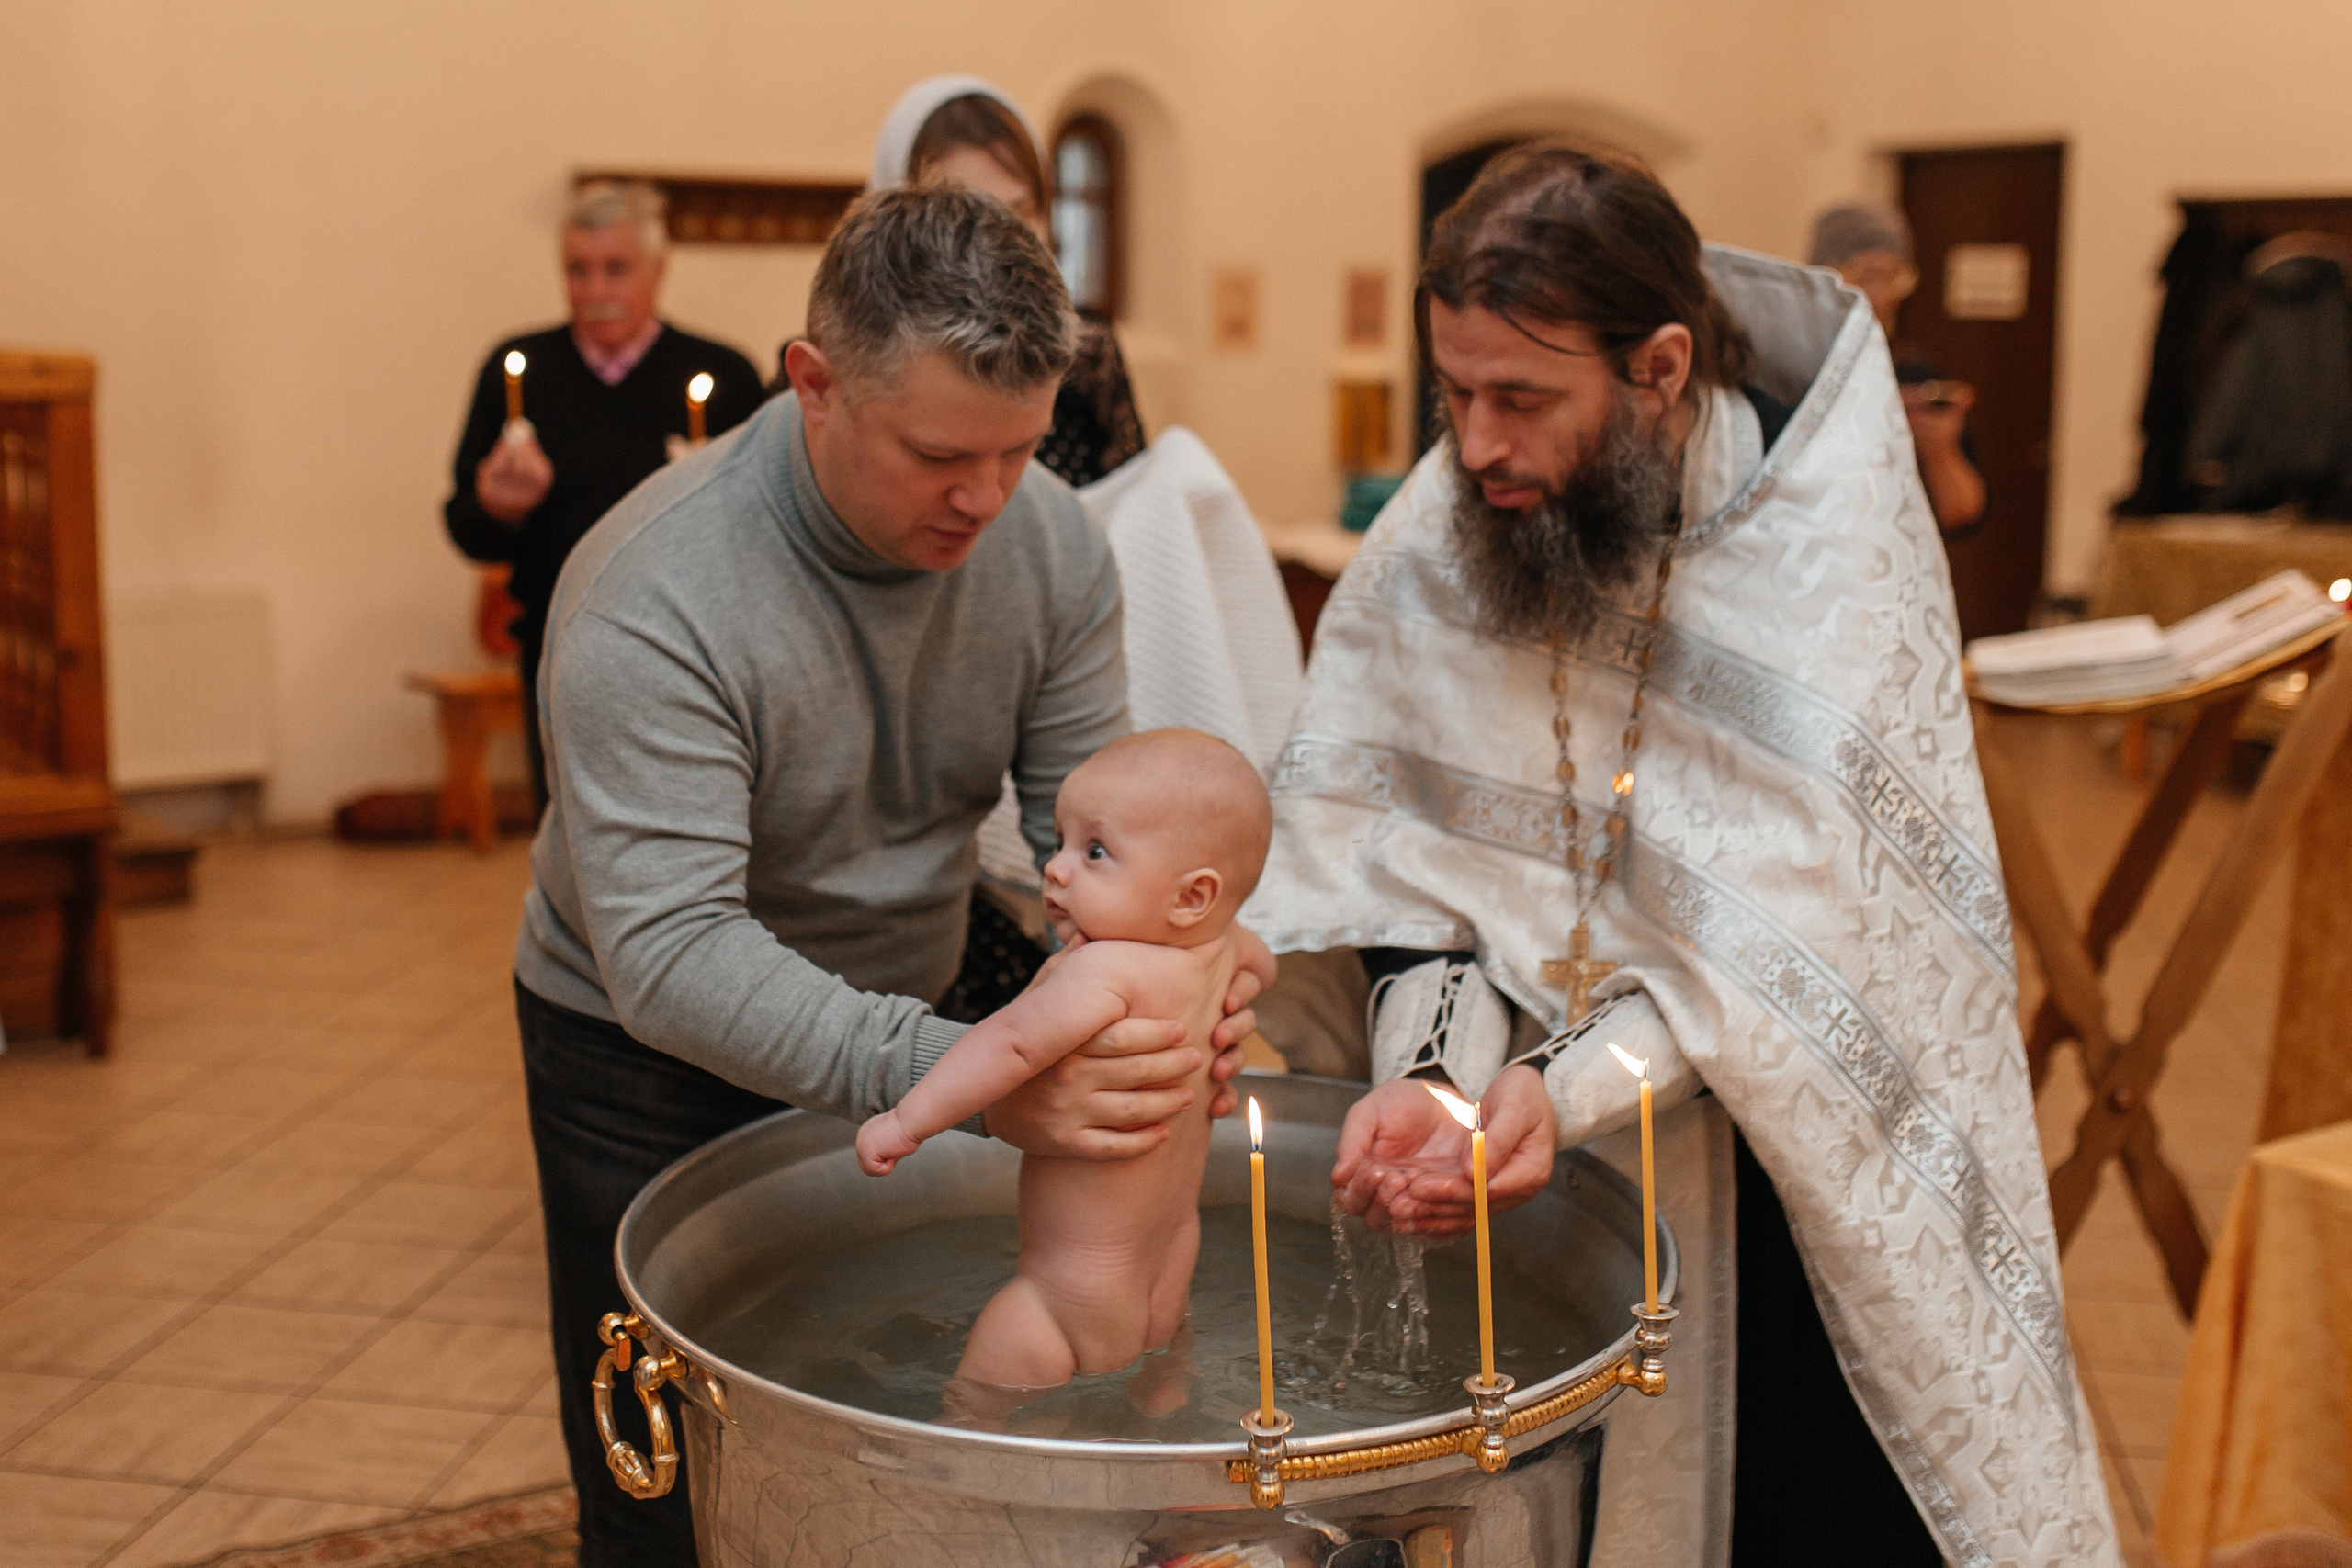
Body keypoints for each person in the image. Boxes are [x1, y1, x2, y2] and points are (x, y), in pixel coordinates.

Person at [1243, 142, 2119, 1568]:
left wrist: (1560, 1085)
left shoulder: (1819, 546)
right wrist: (1435, 1075)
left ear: (1658, 366)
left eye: (1522, 398)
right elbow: (1404, 878)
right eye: (1454, 392)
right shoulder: (1452, 522)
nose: (1474, 446)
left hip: (1778, 1188)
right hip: (1521, 1208)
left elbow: (1810, 944)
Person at [518, 186, 1261, 1567]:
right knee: (662, 1477)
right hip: (638, 1050)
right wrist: (966, 1070)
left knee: (864, 1432)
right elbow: (672, 957)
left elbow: (1093, 827)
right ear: (813, 384)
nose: (985, 497)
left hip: (900, 1020)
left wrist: (1196, 958)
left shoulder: (1046, 541)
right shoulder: (650, 591)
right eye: (937, 454)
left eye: (1019, 449)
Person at [856, 729, 1278, 1393]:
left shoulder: (1103, 971)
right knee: (1155, 1406)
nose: (1056, 868)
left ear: (1191, 896)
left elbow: (1010, 1045)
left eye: (1095, 850)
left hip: (1063, 1297)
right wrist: (1231, 1002)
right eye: (1059, 842)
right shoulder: (1225, 948)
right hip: (1165, 1273)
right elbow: (1264, 964)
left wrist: (908, 1119)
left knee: (972, 1420)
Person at [443, 179, 764, 812]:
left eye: (615, 269)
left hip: (692, 647)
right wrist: (499, 508)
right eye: (577, 271)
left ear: (658, 267)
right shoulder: (518, 368)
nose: (595, 293)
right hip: (560, 644)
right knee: (569, 835)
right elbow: (465, 526)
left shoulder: (722, 374)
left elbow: (764, 528)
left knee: (689, 823)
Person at [782, 75, 1147, 489]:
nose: (995, 236)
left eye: (1020, 210)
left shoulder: (1088, 353)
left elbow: (1132, 503)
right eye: (936, 454)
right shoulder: (835, 367)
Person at [1809, 201, 1988, 538]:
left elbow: (1963, 513)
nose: (1885, 295)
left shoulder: (1911, 370)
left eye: (1894, 277)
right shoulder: (1789, 368)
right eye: (1867, 276)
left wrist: (1939, 450)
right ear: (1821, 277)